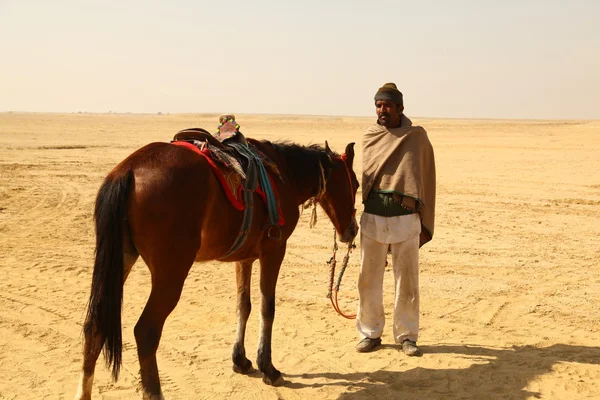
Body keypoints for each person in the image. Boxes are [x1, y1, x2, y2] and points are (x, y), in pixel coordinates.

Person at [355, 83, 436, 356]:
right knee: (368, 279)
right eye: (379, 105)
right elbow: (365, 179)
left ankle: (407, 336)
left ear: (400, 108)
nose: (382, 110)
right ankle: (370, 333)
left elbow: (424, 177)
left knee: (407, 280)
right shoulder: (370, 136)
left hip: (405, 219)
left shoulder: (416, 137)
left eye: (387, 105)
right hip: (373, 218)